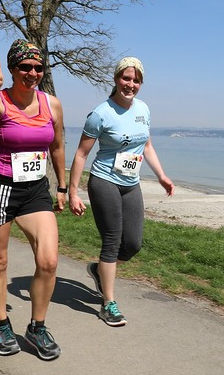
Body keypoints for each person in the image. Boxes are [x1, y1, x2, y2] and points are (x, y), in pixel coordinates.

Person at [0, 39, 67, 359]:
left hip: (34, 189)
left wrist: (63, 187)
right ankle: (1, 325)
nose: (32, 72)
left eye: (38, 67)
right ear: (13, 69)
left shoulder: (51, 104)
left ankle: (36, 327)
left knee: (49, 260)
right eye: (25, 67)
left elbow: (57, 146)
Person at [68, 56, 174, 326]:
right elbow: (81, 154)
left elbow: (147, 146)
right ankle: (108, 304)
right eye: (126, 78)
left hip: (131, 183)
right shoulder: (101, 113)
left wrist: (161, 176)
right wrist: (72, 192)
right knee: (112, 241)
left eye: (136, 80)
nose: (131, 84)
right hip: (104, 181)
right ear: (116, 79)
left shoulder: (144, 110)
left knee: (133, 245)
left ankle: (99, 270)